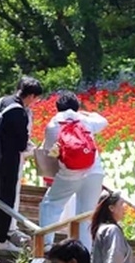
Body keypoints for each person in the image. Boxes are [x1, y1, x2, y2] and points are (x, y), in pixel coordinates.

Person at [39, 90, 108, 246]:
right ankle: (85, 252)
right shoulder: (85, 121)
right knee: (86, 215)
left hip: (69, 173)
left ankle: (46, 245)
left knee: (51, 204)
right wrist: (84, 113)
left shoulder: (53, 125)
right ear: (77, 107)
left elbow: (50, 151)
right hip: (94, 171)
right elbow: (103, 121)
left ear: (57, 108)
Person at [0, 76, 43, 252]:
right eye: (35, 98)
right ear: (31, 96)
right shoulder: (20, 112)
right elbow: (22, 144)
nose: (34, 102)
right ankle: (1, 240)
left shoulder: (3, 101)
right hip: (7, 160)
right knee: (7, 198)